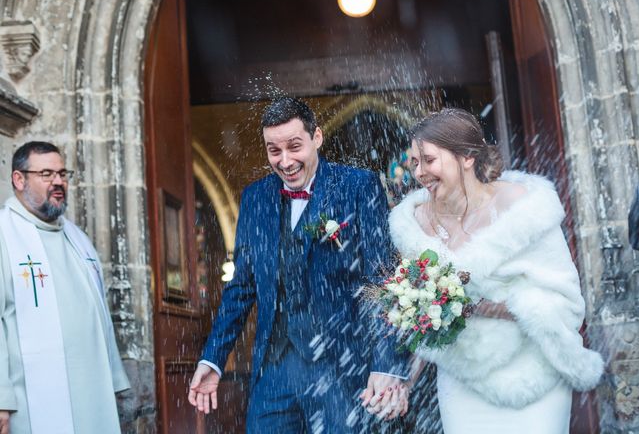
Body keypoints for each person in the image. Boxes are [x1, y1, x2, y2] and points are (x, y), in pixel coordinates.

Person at [188, 97, 409, 432]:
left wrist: (386, 364)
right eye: (273, 150)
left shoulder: (359, 186)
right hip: (274, 371)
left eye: (294, 146)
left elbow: (381, 281)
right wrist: (213, 358)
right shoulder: (254, 198)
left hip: (341, 368)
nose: (285, 161)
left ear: (316, 137)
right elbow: (242, 287)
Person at [388, 108, 604, 433]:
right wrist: (403, 378)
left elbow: (565, 299)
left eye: (429, 160)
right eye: (414, 163)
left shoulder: (524, 209)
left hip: (535, 374)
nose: (419, 172)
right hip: (463, 382)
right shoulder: (413, 224)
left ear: (467, 157)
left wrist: (486, 306)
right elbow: (417, 320)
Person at [0, 142, 130, 434]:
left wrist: (115, 379)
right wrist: (2, 398)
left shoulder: (77, 237)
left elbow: (99, 314)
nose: (58, 182)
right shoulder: (4, 235)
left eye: (62, 173)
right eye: (46, 174)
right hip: (31, 401)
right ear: (18, 179)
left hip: (92, 393)